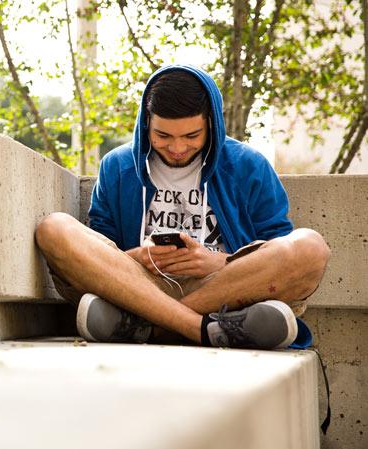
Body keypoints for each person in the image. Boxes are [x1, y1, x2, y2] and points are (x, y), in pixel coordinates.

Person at [35, 65, 331, 349]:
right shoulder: (117, 166)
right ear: (146, 123)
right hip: (139, 287)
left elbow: (274, 245)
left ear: (211, 124)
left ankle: (148, 326)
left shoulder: (248, 165)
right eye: (163, 136)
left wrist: (219, 262)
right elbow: (103, 250)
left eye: (191, 136)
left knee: (310, 247)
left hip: (224, 288)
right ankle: (205, 329)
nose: (177, 148)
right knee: (54, 229)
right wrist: (137, 257)